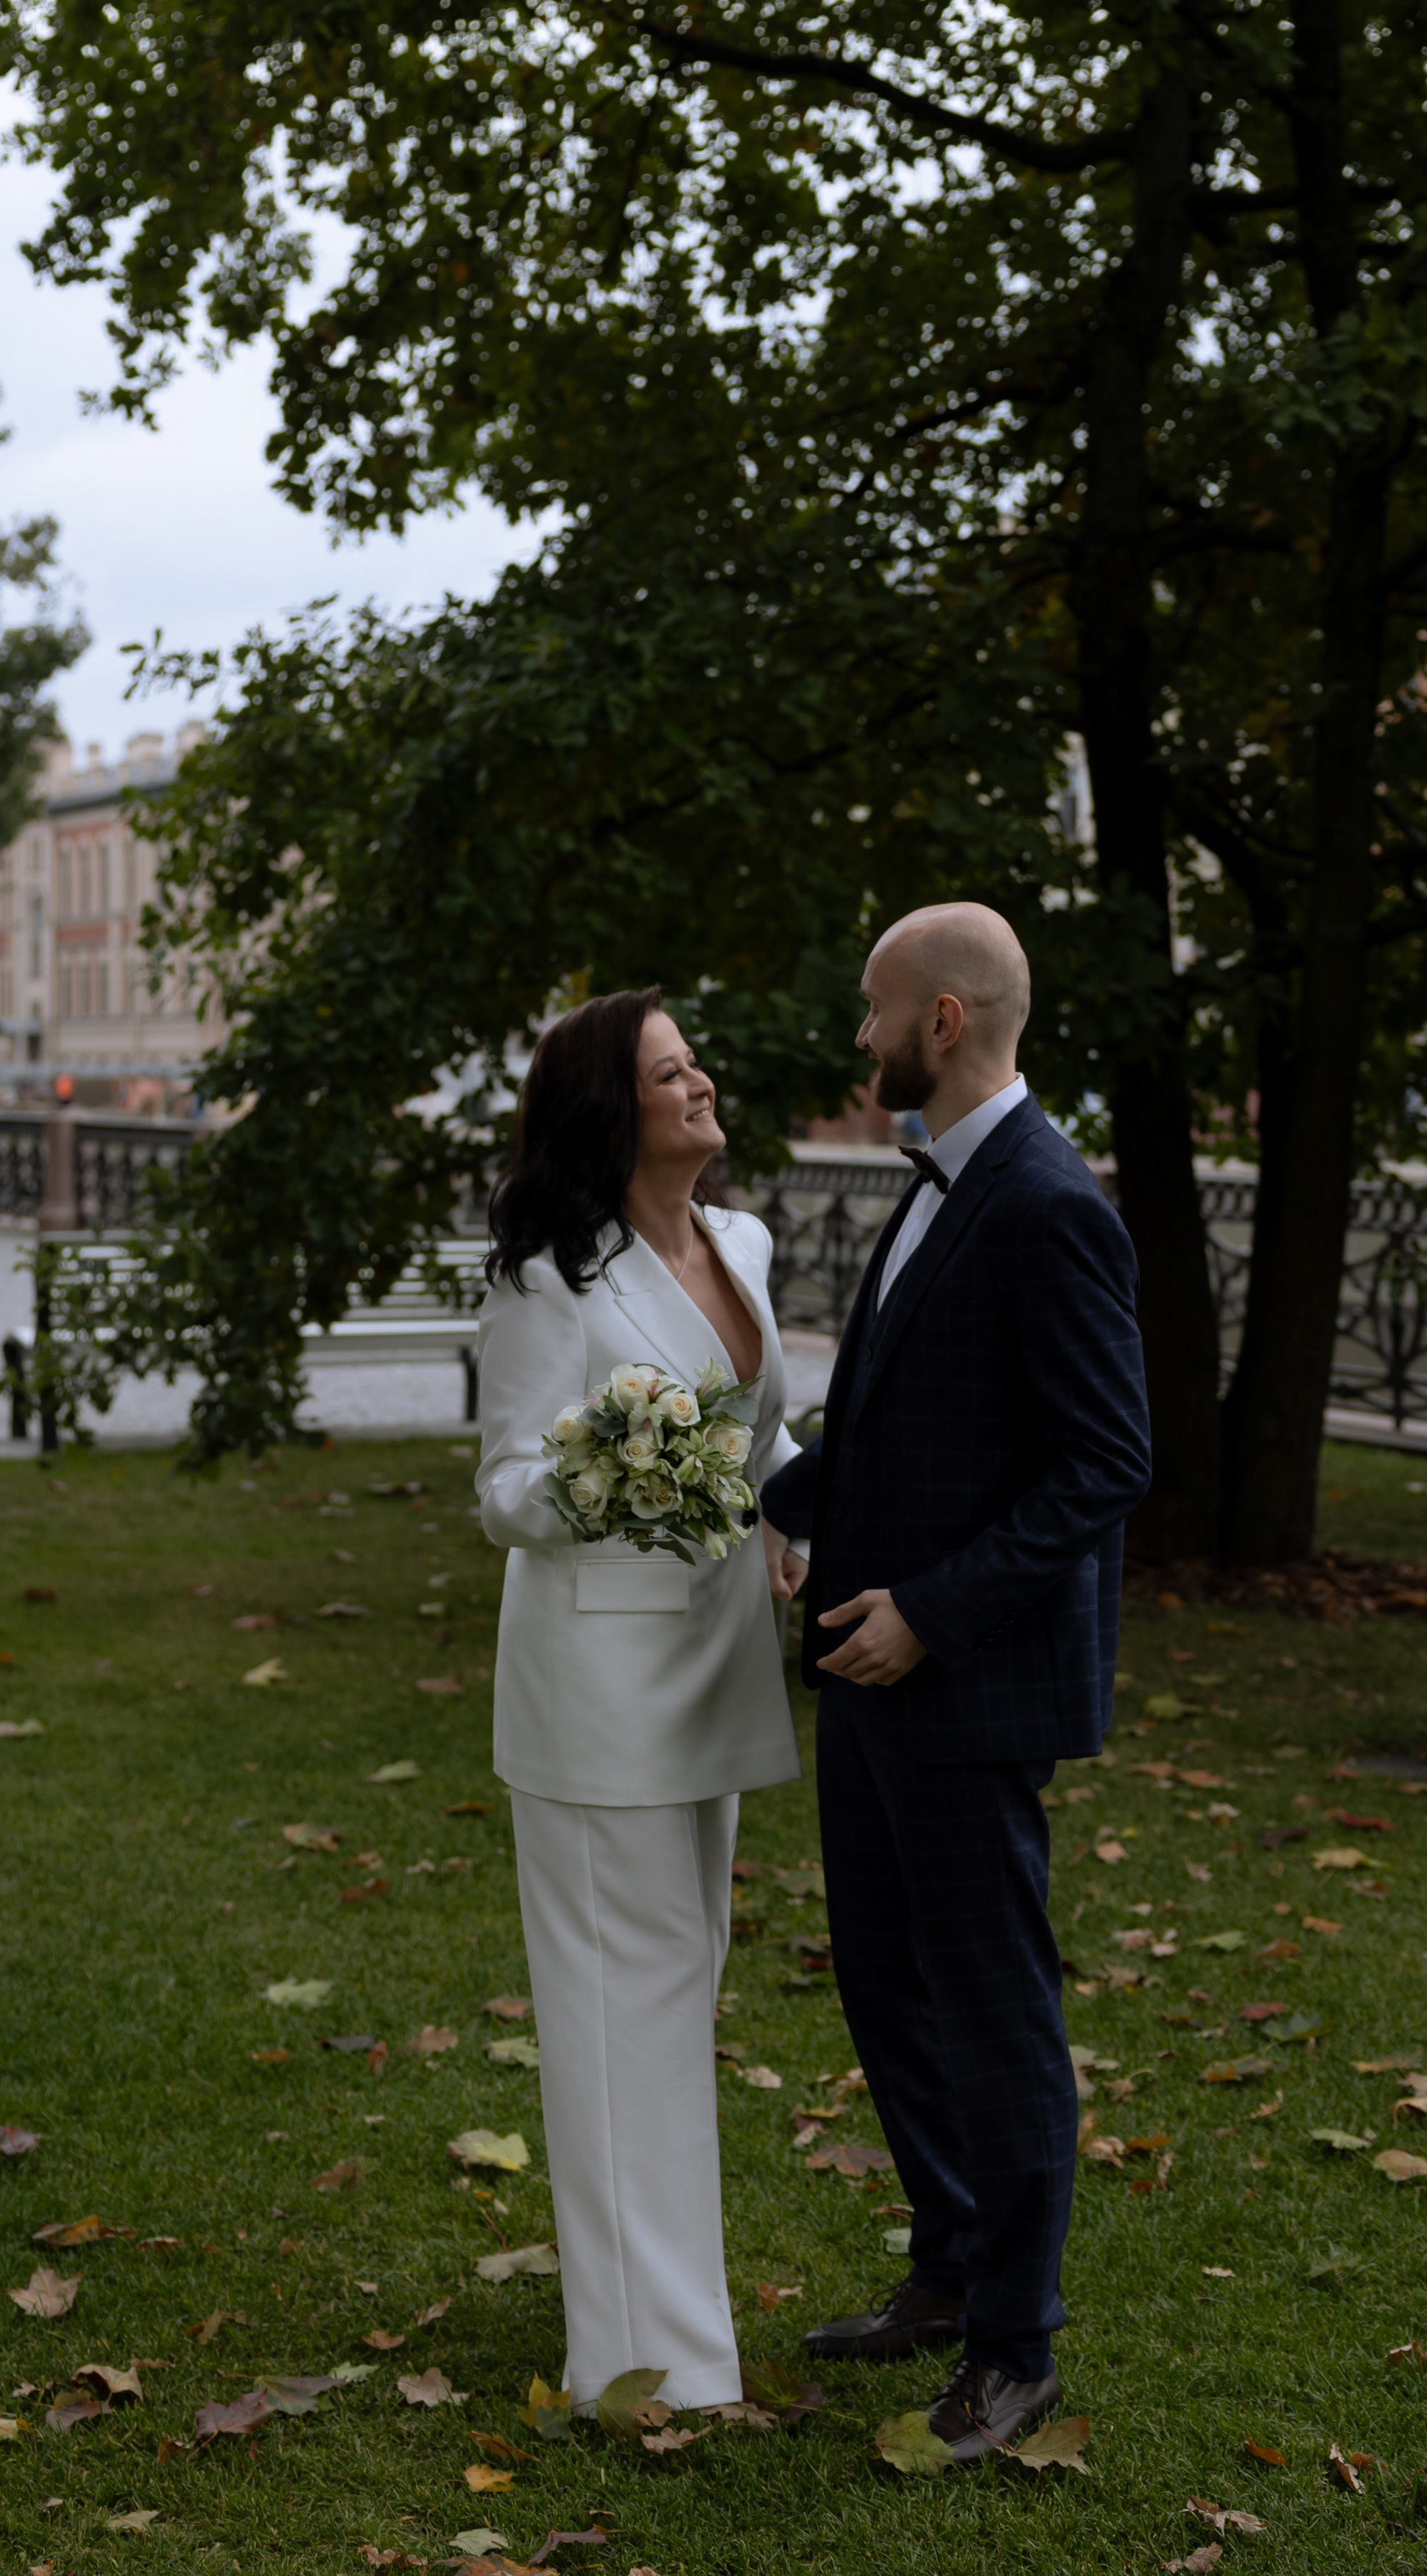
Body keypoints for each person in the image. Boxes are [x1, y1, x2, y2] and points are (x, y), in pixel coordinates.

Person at [760, 903, 1150, 2463]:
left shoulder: (1048, 1201)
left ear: (936, 1019)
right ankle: (946, 2262)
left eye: (868, 1013)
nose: (854, 1042)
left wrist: (929, 1611)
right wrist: (761, 1502)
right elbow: (888, 1434)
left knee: (989, 2010)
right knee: (882, 1982)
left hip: (958, 1681)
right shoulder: (943, 1182)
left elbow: (1103, 1461)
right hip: (865, 1668)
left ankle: (1015, 2344)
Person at [474, 985, 802, 2414]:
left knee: (680, 1991)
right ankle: (644, 2361)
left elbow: (767, 1432)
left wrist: (792, 1520)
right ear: (615, 1109)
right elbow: (503, 1494)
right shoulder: (546, 1274)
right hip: (597, 1688)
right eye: (669, 1071)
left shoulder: (741, 1241)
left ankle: (670, 2332)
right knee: (623, 2014)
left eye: (694, 1063)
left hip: (716, 1667)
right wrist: (624, 1465)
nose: (698, 1084)